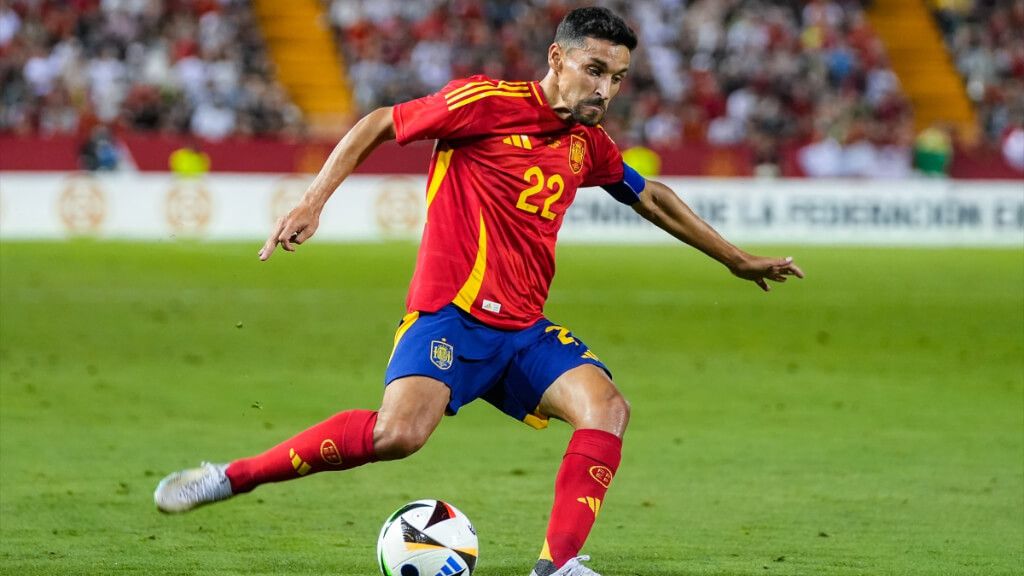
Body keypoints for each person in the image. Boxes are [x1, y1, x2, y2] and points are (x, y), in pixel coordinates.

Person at [153, 8, 804, 576]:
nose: (605, 90)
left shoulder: (585, 145)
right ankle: (227, 477)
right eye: (595, 70)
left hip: (523, 332)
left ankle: (557, 565)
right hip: (450, 318)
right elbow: (380, 122)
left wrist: (735, 259)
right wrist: (312, 201)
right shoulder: (485, 103)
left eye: (618, 79)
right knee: (398, 436)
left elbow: (650, 196)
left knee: (608, 410)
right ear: (558, 58)